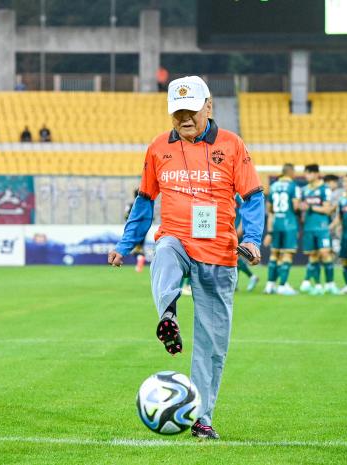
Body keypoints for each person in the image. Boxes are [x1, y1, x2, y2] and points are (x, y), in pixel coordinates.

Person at [108, 76, 264, 440]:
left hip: (220, 255)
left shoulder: (232, 145)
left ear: (208, 106)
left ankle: (202, 418)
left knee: (211, 347)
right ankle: (168, 314)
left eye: (190, 110)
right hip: (177, 240)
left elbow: (253, 197)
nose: (184, 118)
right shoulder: (158, 148)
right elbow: (145, 201)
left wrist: (253, 239)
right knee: (163, 249)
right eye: (177, 112)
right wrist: (126, 244)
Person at [299, 164, 338, 295]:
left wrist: (310, 207)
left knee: (325, 254)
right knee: (313, 256)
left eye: (308, 174)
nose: (306, 176)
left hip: (322, 228)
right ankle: (317, 285)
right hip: (309, 228)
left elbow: (327, 210)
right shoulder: (304, 190)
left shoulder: (324, 189)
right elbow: (301, 207)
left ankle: (330, 284)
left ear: (316, 174)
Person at [263, 163, 301, 295]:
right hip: (289, 223)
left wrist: (269, 231)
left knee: (274, 254)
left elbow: (269, 209)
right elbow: (296, 206)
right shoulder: (293, 186)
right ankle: (283, 285)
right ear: (291, 172)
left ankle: (270, 285)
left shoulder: (273, 186)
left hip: (276, 223)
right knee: (287, 254)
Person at [123, 188, 146, 273]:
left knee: (135, 249)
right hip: (143, 229)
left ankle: (140, 261)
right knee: (138, 248)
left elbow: (126, 216)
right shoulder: (145, 205)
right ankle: (140, 261)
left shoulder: (130, 205)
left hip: (133, 229)